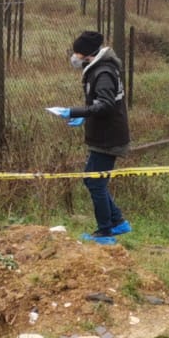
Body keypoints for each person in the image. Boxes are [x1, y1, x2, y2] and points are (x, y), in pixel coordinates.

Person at [58, 31, 131, 246]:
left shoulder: (103, 72)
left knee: (95, 182)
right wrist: (86, 116)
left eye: (77, 53)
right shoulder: (98, 69)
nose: (74, 57)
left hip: (109, 138)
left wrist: (76, 112)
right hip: (104, 134)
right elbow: (100, 104)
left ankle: (105, 232)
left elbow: (106, 105)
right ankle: (117, 222)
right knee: (93, 180)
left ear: (88, 54)